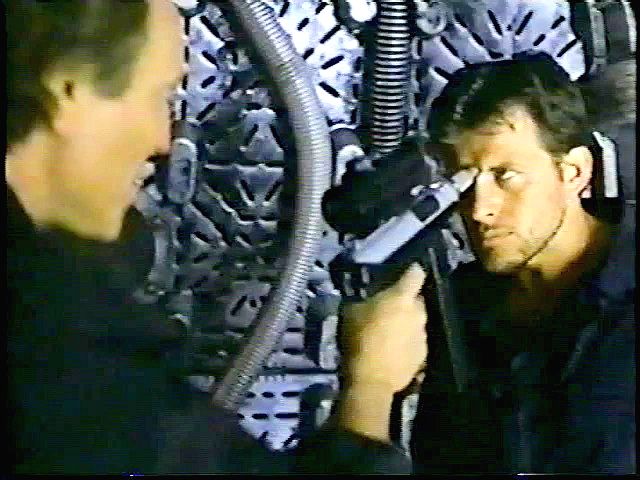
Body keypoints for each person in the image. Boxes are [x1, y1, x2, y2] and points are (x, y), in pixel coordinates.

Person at [6, 0, 427, 474]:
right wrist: (371, 386)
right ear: (70, 91)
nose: (163, 140)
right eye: (159, 96)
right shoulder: (60, 348)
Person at [405, 54, 635, 474]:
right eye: (462, 181)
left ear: (574, 172)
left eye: (506, 176)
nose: (479, 209)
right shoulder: (457, 309)